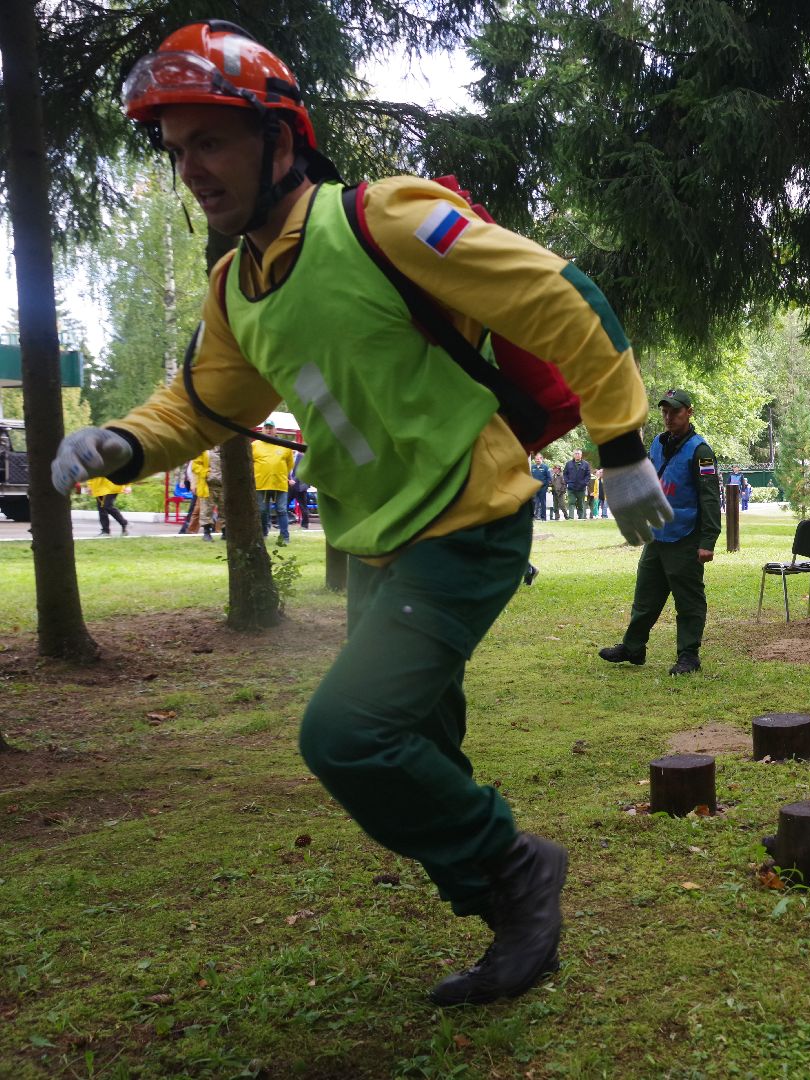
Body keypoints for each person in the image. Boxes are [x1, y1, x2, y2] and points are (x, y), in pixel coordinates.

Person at [50, 21, 672, 1008]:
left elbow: (558, 296)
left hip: (468, 519)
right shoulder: (236, 286)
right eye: (179, 152)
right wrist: (121, 445)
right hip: (377, 544)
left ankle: (520, 871)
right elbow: (205, 404)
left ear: (280, 140)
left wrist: (624, 443)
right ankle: (514, 924)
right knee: (421, 751)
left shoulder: (383, 218)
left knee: (347, 736)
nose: (193, 170)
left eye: (212, 141)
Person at [599, 388, 721, 675]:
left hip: (685, 536)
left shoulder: (700, 452)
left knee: (688, 600)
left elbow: (710, 498)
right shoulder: (657, 443)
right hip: (657, 535)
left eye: (675, 411)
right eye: (665, 411)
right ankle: (633, 647)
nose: (668, 416)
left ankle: (689, 655)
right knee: (645, 596)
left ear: (689, 412)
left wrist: (708, 541)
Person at [252, 421, 296, 545]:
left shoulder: (284, 446)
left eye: (271, 428)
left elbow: (289, 465)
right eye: (266, 428)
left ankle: (284, 537)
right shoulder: (255, 445)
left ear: (275, 430)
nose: (268, 430)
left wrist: (280, 474)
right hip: (261, 484)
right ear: (262, 430)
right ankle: (263, 534)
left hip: (280, 484)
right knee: (262, 510)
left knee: (282, 510)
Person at [187, 446, 221, 540]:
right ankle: (207, 532)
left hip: (223, 485)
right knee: (206, 509)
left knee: (225, 509)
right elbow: (195, 465)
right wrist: (206, 473)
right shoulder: (204, 449)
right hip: (207, 485)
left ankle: (225, 532)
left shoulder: (226, 449)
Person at [563, 449, 591, 520]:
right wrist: (567, 481)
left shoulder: (586, 464)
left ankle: (580, 518)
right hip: (571, 487)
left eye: (578, 453)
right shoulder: (568, 463)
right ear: (573, 455)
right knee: (571, 502)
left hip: (581, 488)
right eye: (575, 453)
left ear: (581, 455)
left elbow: (588, 475)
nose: (577, 455)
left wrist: (584, 483)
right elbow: (565, 474)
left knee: (580, 504)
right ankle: (571, 518)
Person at [529, 453, 552, 520]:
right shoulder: (533, 467)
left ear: (541, 459)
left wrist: (546, 486)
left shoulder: (545, 467)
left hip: (543, 488)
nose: (537, 460)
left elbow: (549, 478)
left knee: (543, 503)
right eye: (536, 459)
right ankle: (534, 516)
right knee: (534, 502)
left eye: (538, 459)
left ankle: (543, 517)